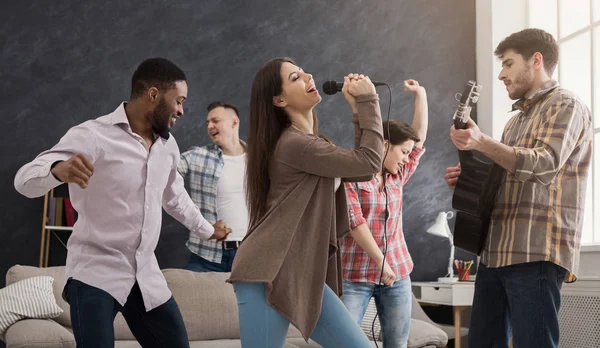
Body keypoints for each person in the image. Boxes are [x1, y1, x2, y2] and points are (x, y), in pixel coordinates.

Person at [14, 58, 231, 348]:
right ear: (154, 94)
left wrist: (208, 231)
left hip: (145, 275)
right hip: (94, 273)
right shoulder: (93, 135)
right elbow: (24, 180)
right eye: (178, 100)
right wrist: (56, 170)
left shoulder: (168, 147)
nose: (181, 110)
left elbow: (176, 199)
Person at [444, 28, 592, 348]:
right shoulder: (514, 121)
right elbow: (507, 174)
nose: (501, 74)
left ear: (536, 60)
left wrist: (482, 141)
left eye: (508, 64)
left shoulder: (565, 105)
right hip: (496, 250)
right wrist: (471, 176)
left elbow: (544, 163)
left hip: (535, 250)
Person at [227, 57, 384, 348]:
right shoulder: (296, 144)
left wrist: (358, 111)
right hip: (265, 271)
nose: (309, 76)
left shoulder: (311, 142)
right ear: (279, 99)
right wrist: (369, 100)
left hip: (301, 272)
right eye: (296, 78)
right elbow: (371, 161)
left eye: (303, 72)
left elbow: (362, 169)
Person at [341, 79, 428, 348]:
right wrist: (381, 263)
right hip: (355, 275)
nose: (407, 158)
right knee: (344, 341)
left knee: (397, 344)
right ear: (385, 144)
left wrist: (420, 95)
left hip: (398, 273)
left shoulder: (397, 175)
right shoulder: (351, 175)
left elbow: (419, 137)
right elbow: (355, 223)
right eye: (403, 151)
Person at [178, 101, 248, 273]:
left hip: (250, 255)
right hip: (206, 257)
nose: (210, 126)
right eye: (207, 123)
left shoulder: (260, 160)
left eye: (215, 121)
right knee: (192, 299)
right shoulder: (197, 156)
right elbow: (163, 175)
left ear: (234, 122)